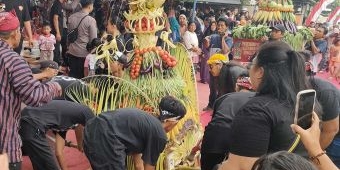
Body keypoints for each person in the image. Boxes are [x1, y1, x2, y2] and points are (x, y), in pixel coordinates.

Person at [219, 41, 315, 170]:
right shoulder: (300, 102)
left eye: (251, 65)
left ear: (260, 72)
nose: (249, 70)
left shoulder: (256, 111)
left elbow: (241, 167)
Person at [0, 11, 61, 170]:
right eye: (20, 31)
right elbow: (34, 96)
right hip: (4, 146)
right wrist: (54, 87)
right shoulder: (13, 60)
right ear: (14, 34)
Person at [83, 95, 187, 170]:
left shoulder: (145, 123)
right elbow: (149, 168)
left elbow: (138, 164)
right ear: (172, 121)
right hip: (105, 140)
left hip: (91, 131)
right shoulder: (159, 135)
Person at [19, 100, 94, 170]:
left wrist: (80, 145)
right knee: (49, 165)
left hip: (24, 121)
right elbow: (95, 145)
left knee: (41, 164)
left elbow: (58, 153)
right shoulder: (86, 112)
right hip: (32, 124)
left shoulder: (64, 122)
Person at [201, 75, 255, 170]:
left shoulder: (223, 98)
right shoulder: (256, 100)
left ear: (237, 87)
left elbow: (215, 119)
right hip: (235, 138)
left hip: (212, 135)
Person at [203, 17, 233, 111]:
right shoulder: (214, 36)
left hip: (222, 68)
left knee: (221, 89)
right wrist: (206, 41)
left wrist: (223, 39)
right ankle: (210, 105)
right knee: (212, 87)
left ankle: (218, 107)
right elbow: (206, 46)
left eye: (222, 25)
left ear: (226, 27)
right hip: (212, 66)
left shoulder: (229, 39)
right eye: (218, 25)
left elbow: (225, 51)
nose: (219, 27)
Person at [67, 0, 97, 79]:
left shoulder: (71, 17)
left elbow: (69, 34)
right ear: (90, 6)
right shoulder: (90, 20)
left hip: (72, 52)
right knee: (82, 79)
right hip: (84, 54)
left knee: (72, 78)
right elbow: (93, 40)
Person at [50, 0, 65, 65]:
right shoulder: (57, 4)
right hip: (56, 31)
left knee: (57, 49)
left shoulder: (59, 4)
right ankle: (55, 67)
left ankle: (56, 66)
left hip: (58, 31)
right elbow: (55, 18)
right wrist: (57, 32)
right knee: (56, 50)